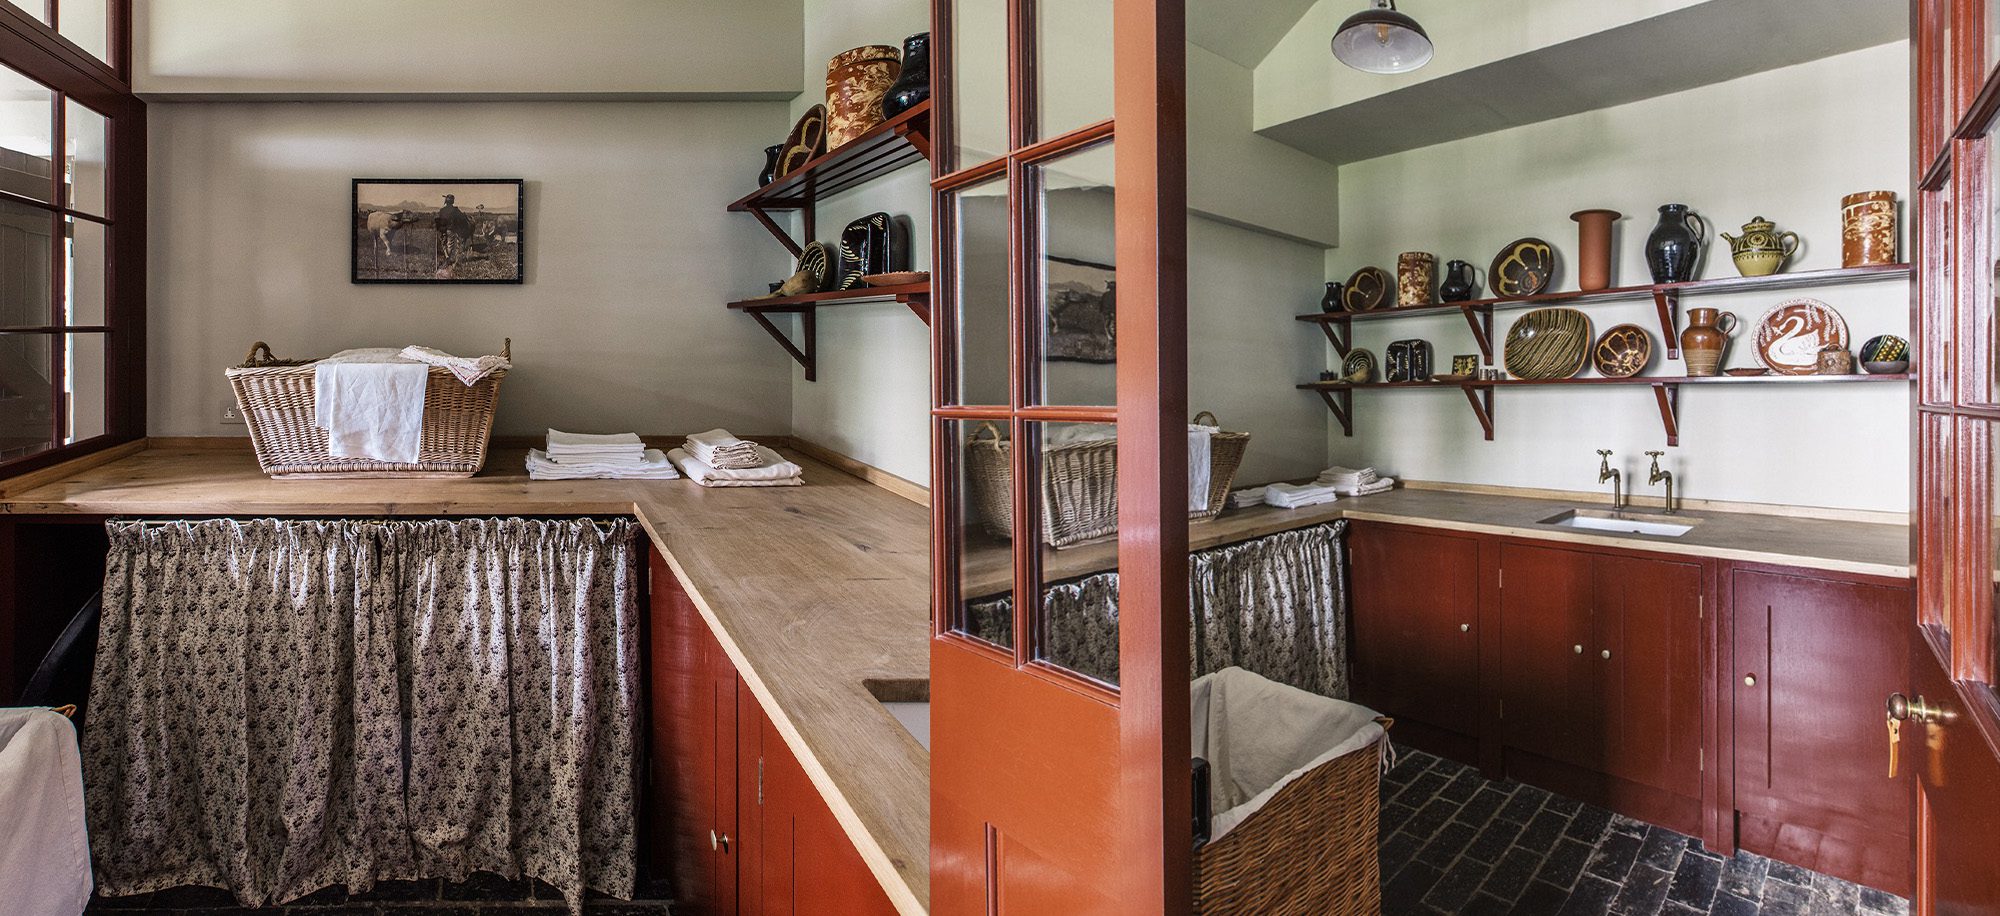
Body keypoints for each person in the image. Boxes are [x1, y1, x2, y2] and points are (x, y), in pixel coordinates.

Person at [433, 193, 474, 277]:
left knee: (445, 244)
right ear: (452, 201)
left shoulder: (442, 210)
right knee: (451, 245)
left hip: (442, 230)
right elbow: (462, 218)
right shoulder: (455, 210)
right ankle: (448, 261)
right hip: (451, 230)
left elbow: (439, 219)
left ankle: (447, 258)